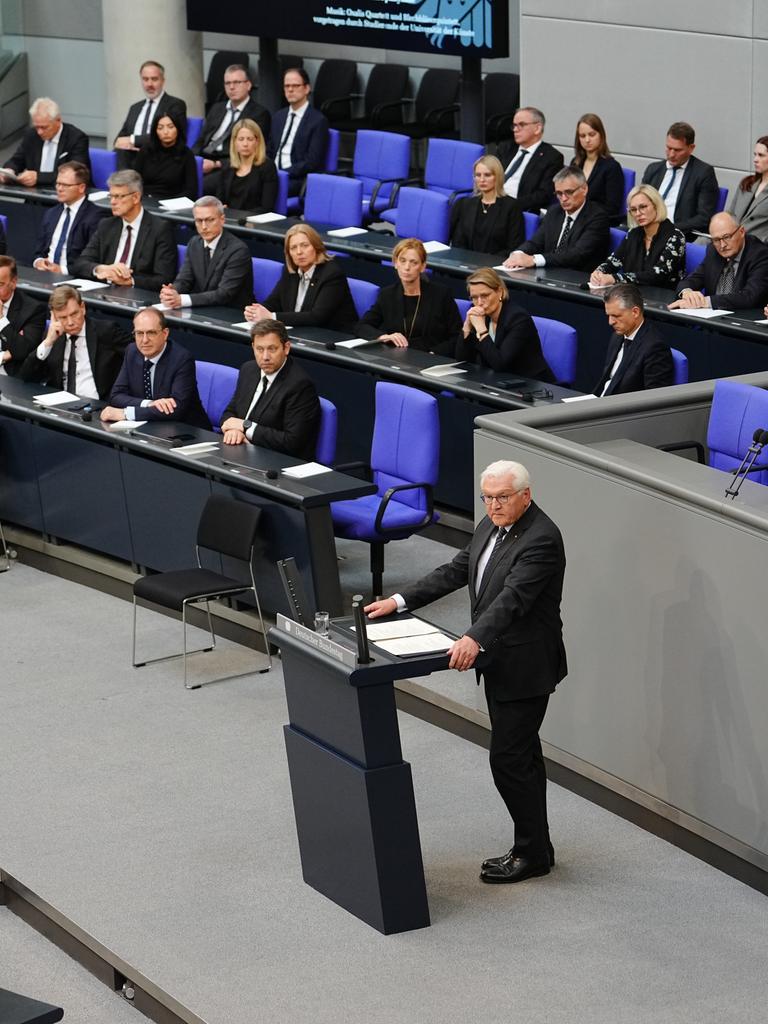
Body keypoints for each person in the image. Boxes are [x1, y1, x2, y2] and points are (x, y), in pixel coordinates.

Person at [365, 459, 567, 884]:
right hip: (503, 662)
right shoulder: (491, 525)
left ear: (525, 496)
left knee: (509, 761)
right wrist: (400, 600)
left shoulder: (542, 539)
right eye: (487, 498)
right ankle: (539, 849)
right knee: (523, 757)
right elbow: (457, 569)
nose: (493, 506)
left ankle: (530, 854)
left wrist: (473, 638)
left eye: (502, 498)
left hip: (526, 665)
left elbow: (512, 600)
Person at [220, 318, 320, 459]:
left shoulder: (300, 385)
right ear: (253, 347)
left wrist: (246, 427)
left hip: (278, 460)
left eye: (272, 349)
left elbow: (292, 442)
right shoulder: (248, 369)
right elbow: (230, 412)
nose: (265, 357)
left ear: (286, 348)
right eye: (259, 349)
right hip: (243, 449)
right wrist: (234, 430)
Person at [100, 307, 209, 427]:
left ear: (165, 333)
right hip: (149, 426)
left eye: (151, 333)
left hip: (185, 430)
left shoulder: (182, 359)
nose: (145, 340)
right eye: (139, 333)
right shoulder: (132, 351)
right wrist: (149, 403)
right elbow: (116, 396)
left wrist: (127, 413)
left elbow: (176, 409)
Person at [19, 285, 130, 399]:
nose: (70, 322)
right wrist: (48, 342)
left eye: (74, 314)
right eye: (63, 317)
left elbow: (139, 352)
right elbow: (27, 376)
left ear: (82, 308)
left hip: (99, 405)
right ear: (54, 316)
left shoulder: (106, 331)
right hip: (61, 404)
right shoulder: (53, 336)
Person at [73, 169, 177, 290]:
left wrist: (129, 281)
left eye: (118, 196)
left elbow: (164, 278)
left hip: (136, 295)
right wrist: (102, 269)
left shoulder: (160, 229)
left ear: (136, 197)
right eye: (111, 196)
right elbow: (80, 263)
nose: (112, 202)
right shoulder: (106, 225)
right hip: (104, 291)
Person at [356, 237, 462, 354]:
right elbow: (362, 326)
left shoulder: (441, 295)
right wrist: (384, 337)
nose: (407, 268)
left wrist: (434, 353)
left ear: (422, 267)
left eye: (414, 262)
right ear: (395, 263)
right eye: (402, 261)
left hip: (429, 358)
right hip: (395, 357)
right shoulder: (387, 294)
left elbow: (457, 337)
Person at [244, 224, 356, 331]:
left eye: (305, 245)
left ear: (316, 247)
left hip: (333, 337)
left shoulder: (332, 274)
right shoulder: (291, 272)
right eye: (293, 248)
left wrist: (272, 316)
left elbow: (317, 317)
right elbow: (273, 302)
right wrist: (256, 311)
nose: (299, 252)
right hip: (302, 333)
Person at [455, 267, 554, 380]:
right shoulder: (481, 315)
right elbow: (461, 359)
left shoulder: (518, 319)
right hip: (498, 380)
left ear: (500, 292)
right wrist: (467, 326)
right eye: (474, 297)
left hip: (530, 385)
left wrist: (482, 330)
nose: (479, 303)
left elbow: (500, 363)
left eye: (485, 296)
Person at [504, 167, 610, 272]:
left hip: (577, 277)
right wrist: (518, 254)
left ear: (584, 189)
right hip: (548, 273)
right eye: (559, 193)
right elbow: (535, 242)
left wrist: (534, 259)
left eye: (569, 192)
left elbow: (577, 255)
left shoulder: (597, 217)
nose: (563, 199)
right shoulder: (554, 211)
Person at [160, 196, 253, 310]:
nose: (204, 227)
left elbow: (224, 294)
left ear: (222, 219)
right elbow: (184, 280)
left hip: (231, 312)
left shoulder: (238, 250)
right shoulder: (194, 243)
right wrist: (172, 292)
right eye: (199, 221)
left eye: (210, 220)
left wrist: (182, 299)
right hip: (203, 307)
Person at [590, 184, 685, 290]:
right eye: (633, 210)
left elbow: (657, 275)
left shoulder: (675, 236)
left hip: (661, 298)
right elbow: (613, 262)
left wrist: (615, 278)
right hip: (631, 294)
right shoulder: (633, 234)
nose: (638, 213)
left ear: (656, 205)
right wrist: (599, 272)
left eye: (643, 207)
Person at [670, 212, 768, 311]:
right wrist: (687, 292)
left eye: (727, 237)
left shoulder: (760, 254)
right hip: (712, 319)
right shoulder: (713, 250)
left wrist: (704, 302)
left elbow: (750, 297)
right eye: (716, 239)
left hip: (743, 320)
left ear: (741, 232)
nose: (722, 245)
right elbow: (692, 279)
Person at [641, 122, 719, 239]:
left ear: (691, 148)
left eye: (677, 150)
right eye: (668, 148)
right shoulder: (653, 169)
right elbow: (640, 202)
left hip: (678, 234)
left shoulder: (703, 173)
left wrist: (669, 228)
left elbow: (704, 217)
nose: (671, 154)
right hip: (646, 229)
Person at [593, 283, 673, 396]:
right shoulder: (617, 336)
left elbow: (655, 399)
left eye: (616, 316)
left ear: (635, 312)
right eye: (609, 316)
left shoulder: (655, 347)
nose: (610, 322)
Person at [193, 64, 270, 179]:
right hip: (204, 159)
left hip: (229, 166)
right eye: (227, 83)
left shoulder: (259, 114)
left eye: (237, 82)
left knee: (201, 185)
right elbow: (201, 139)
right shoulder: (217, 108)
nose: (231, 87)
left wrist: (215, 164)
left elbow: (251, 153)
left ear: (248, 85)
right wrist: (193, 158)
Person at [32, 161, 104, 275]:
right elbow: (39, 251)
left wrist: (62, 270)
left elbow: (92, 261)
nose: (59, 189)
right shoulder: (51, 213)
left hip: (73, 278)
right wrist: (39, 262)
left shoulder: (95, 217)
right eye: (58, 184)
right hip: (44, 275)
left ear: (81, 187)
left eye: (65, 185)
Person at [0, 97, 90, 188]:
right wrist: (9, 171)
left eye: (44, 127)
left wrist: (39, 177)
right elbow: (17, 160)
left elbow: (76, 173)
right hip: (35, 195)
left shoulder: (76, 138)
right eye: (37, 127)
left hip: (66, 192)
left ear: (58, 121)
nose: (39, 132)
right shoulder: (31, 135)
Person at [113, 60, 187, 169]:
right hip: (131, 156)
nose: (149, 84)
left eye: (154, 79)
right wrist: (124, 144)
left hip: (157, 157)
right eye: (145, 79)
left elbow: (170, 136)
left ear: (163, 81)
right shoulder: (135, 108)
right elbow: (120, 138)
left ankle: (126, 183)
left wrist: (133, 140)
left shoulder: (175, 104)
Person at [268, 67, 329, 197]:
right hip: (272, 174)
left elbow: (312, 162)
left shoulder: (318, 121)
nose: (290, 90)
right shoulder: (278, 116)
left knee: (266, 189)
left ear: (307, 88)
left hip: (297, 178)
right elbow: (270, 150)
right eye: (287, 86)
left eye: (295, 85)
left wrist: (283, 173)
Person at [449, 155, 525, 259]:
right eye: (478, 175)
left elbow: (514, 247)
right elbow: (457, 241)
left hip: (494, 266)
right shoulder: (464, 204)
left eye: (487, 175)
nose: (482, 180)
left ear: (497, 177)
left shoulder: (511, 207)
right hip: (464, 263)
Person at [495, 106, 564, 213]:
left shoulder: (552, 157)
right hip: (493, 201)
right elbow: (490, 174)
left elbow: (543, 194)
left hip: (518, 209)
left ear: (537, 128)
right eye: (514, 125)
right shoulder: (505, 148)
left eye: (521, 125)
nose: (515, 130)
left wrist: (511, 205)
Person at [210, 119, 277, 214]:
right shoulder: (228, 166)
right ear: (234, 142)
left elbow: (266, 207)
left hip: (253, 223)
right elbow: (220, 200)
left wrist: (238, 216)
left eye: (250, 139)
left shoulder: (267, 167)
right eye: (241, 139)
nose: (245, 144)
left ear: (257, 142)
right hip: (229, 220)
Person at [570, 113, 625, 225]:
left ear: (601, 135)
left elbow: (612, 208)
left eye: (592, 134)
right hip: (573, 219)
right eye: (582, 136)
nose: (587, 140)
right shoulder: (575, 163)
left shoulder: (612, 167)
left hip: (596, 223)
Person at [0, 256, 48, 377]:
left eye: (0, 284)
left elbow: (22, 351)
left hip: (10, 376)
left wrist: (1, 319)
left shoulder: (33, 309)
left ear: (14, 282)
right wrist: (4, 356)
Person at [134, 111, 198, 200]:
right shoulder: (146, 150)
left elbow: (191, 190)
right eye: (160, 128)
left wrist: (172, 203)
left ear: (178, 129)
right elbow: (135, 180)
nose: (165, 132)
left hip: (173, 202)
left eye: (170, 127)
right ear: (155, 131)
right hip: (146, 199)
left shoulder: (186, 154)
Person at [728, 136, 768, 243]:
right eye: (755, 155)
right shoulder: (747, 183)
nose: (755, 159)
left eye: (761, 155)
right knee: (697, 244)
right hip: (729, 239)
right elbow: (730, 214)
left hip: (755, 247)